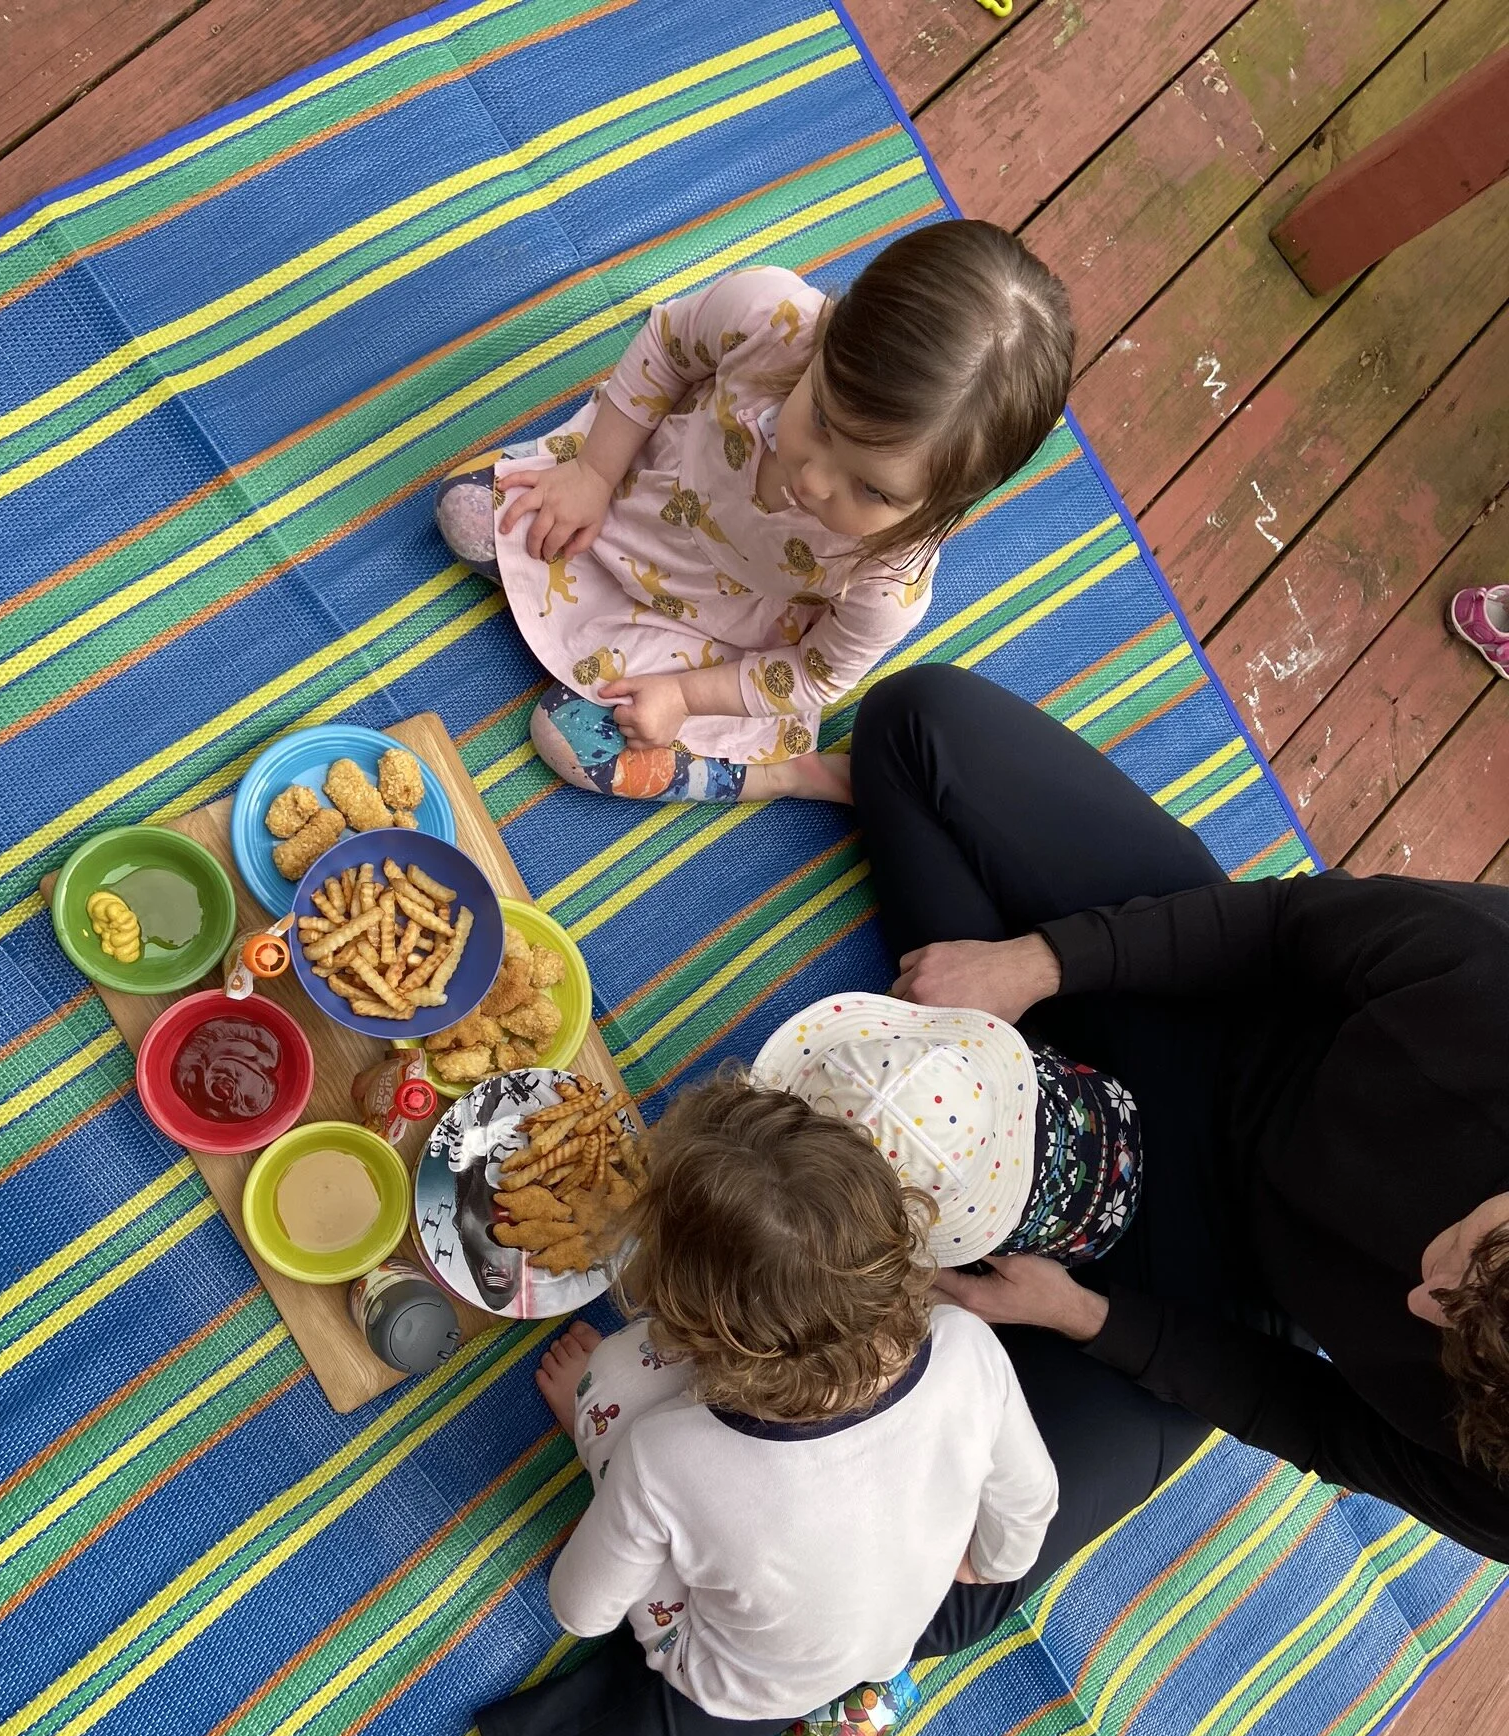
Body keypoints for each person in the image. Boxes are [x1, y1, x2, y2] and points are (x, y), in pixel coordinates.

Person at [336, 1069, 1204, 1736]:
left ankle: (595, 1423)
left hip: (723, 1673)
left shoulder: (669, 1452)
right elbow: (1026, 1512)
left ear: (690, 1334)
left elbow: (581, 1607)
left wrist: (605, 1443)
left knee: (607, 1390)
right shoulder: (966, 1343)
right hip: (893, 1623)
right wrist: (975, 1560)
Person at [850, 661, 1509, 1560]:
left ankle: (1005, 1071)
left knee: (964, 1559)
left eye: (1455, 1346)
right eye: (1463, 1270)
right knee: (918, 722)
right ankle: (1013, 1041)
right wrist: (1040, 963)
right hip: (1210, 1021)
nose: (1417, 1300)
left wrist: (1085, 1317)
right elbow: (1286, 927)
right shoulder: (1494, 989)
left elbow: (1324, 1426)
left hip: (1210, 1284)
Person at [433, 221, 1073, 805]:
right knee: (463, 512)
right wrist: (594, 473)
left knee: (569, 739)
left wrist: (683, 697)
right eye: (821, 419)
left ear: (943, 507)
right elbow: (668, 348)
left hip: (709, 645)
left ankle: (785, 775)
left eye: (873, 491)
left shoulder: (886, 583)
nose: (813, 480)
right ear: (830, 335)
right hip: (638, 509)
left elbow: (812, 675)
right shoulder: (770, 317)